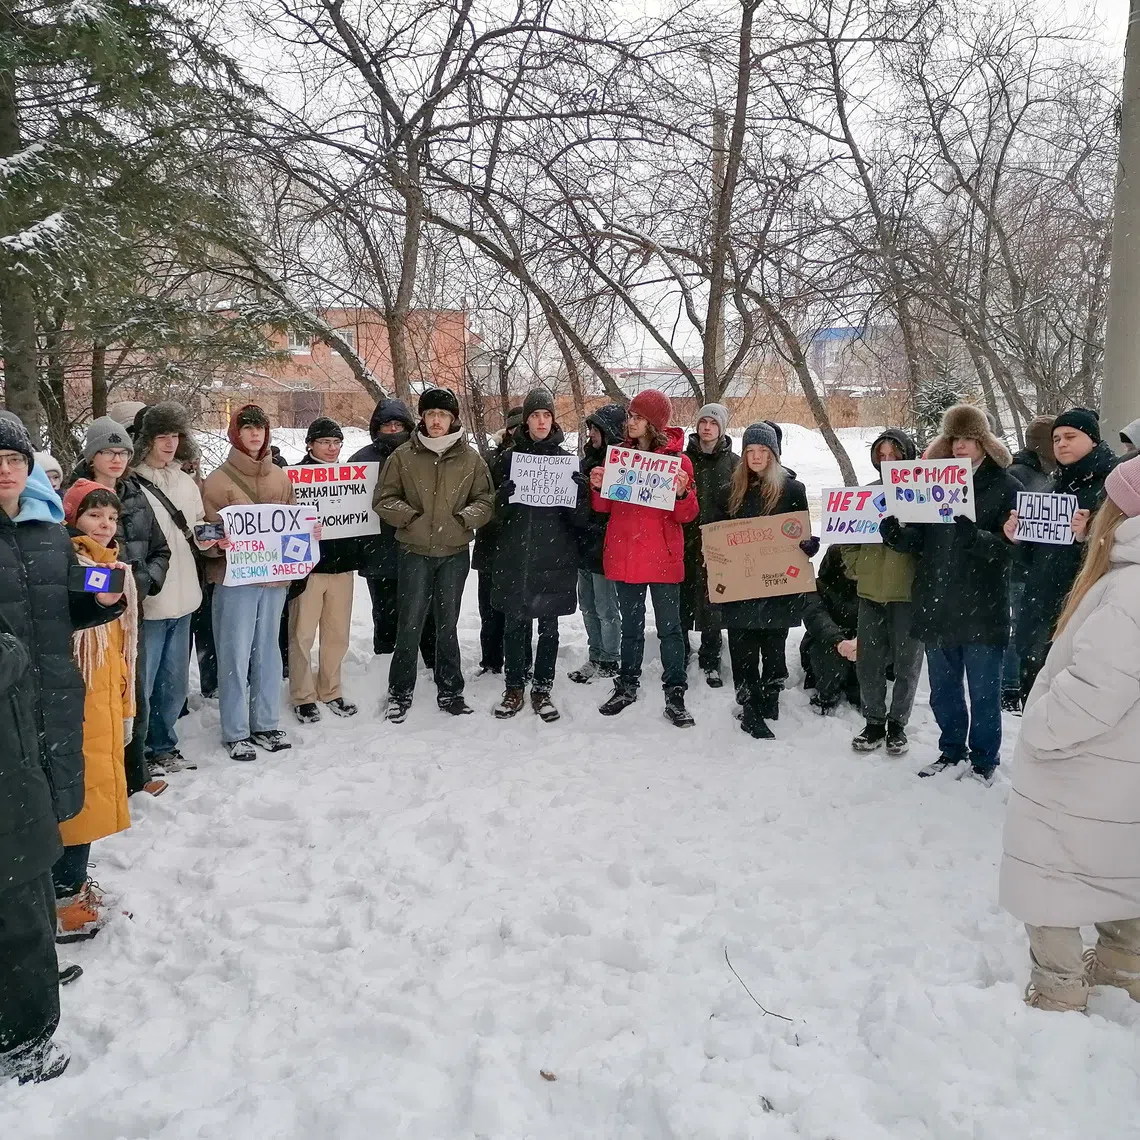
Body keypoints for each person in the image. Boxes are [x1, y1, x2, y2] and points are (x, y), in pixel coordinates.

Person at [0, 415, 123, 1085]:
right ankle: (18, 1030)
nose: (5, 468)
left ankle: (36, 961)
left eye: (14, 457)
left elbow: (66, 602)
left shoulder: (47, 533)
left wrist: (105, 594)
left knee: (44, 837)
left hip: (52, 707)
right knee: (15, 864)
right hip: (4, 726)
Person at [1000, 455, 1140, 1012]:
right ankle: (1120, 966)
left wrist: (1041, 726)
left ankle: (1057, 991)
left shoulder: (1129, 591)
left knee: (1051, 875)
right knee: (1121, 859)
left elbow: (1097, 687)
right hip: (1119, 765)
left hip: (1085, 765)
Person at [880, 404, 1019, 784]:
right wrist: (896, 534)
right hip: (936, 600)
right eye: (955, 438)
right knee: (943, 690)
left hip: (982, 605)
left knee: (984, 693)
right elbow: (922, 540)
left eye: (969, 439)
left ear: (984, 442)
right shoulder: (930, 480)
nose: (960, 446)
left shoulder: (1007, 486)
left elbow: (1015, 548)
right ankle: (951, 749)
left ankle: (984, 760)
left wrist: (980, 539)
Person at [374, 387, 495, 721]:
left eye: (442, 414)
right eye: (430, 414)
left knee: (448, 624)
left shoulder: (470, 459)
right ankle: (399, 692)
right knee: (409, 624)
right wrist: (411, 518)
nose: (436, 420)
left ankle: (451, 689)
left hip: (454, 554)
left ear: (452, 418)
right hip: (414, 552)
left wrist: (463, 519)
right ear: (423, 418)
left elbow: (485, 500)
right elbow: (383, 499)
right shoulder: (404, 457)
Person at [67, 417, 170, 795]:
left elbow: (161, 549)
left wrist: (137, 584)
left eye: (123, 452)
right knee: (95, 703)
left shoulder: (136, 494)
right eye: (108, 451)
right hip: (87, 623)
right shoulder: (73, 497)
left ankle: (134, 775)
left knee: (133, 693)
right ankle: (100, 781)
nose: (116, 459)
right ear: (92, 455)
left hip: (129, 614)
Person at [54, 480, 137, 942]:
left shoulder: (112, 567)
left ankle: (74, 884)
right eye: (93, 516)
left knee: (91, 797)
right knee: (76, 801)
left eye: (111, 518)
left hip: (104, 696)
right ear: (73, 519)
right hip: (78, 700)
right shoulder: (71, 566)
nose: (104, 525)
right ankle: (64, 900)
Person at [589, 389, 699, 727]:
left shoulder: (678, 462)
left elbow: (688, 515)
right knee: (631, 629)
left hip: (663, 555)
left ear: (653, 423)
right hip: (626, 553)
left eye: (637, 417)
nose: (631, 421)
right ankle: (627, 684)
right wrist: (597, 487)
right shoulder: (618, 457)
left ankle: (675, 690)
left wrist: (682, 493)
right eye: (631, 416)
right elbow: (603, 508)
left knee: (670, 629)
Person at [202, 404, 297, 761]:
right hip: (234, 579)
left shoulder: (280, 478)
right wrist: (215, 543)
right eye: (247, 428)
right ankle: (236, 730)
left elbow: (291, 525)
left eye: (260, 428)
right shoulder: (218, 480)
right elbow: (203, 530)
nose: (255, 434)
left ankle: (266, 722)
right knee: (235, 653)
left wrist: (306, 534)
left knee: (268, 653)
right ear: (236, 434)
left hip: (272, 580)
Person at [1007, 408, 1118, 703]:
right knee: (1038, 696)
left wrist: (1090, 536)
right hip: (1041, 609)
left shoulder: (1114, 486)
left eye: (1070, 436)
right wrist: (1018, 538)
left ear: (1093, 441)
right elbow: (1032, 559)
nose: (1061, 444)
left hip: (1087, 609)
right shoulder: (1051, 485)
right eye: (1056, 439)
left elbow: (1124, 548)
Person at [710, 422, 813, 739]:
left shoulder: (793, 491)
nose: (756, 456)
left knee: (773, 647)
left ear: (773, 454)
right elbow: (714, 537)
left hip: (777, 587)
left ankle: (770, 697)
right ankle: (749, 709)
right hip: (740, 588)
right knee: (742, 650)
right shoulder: (728, 493)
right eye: (750, 451)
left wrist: (809, 545)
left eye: (762, 451)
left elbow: (801, 535)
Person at [488, 389, 579, 722]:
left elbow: (579, 521)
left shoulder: (567, 462)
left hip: (554, 557)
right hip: (516, 556)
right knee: (515, 624)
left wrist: (579, 493)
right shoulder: (507, 460)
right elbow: (491, 518)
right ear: (525, 421)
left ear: (553, 420)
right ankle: (514, 687)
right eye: (535, 415)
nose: (542, 421)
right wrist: (502, 497)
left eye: (547, 415)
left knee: (549, 628)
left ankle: (542, 688)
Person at [131, 402, 213, 772]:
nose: (169, 444)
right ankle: (138, 753)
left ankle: (164, 745)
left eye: (175, 436)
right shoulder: (131, 483)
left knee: (173, 683)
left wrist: (216, 538)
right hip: (151, 601)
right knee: (142, 686)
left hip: (185, 598)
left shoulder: (185, 480)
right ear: (146, 440)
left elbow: (196, 525)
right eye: (161, 436)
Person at [843, 429, 924, 756]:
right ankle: (873, 720)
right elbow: (846, 540)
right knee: (869, 662)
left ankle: (898, 724)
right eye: (882, 456)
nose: (888, 461)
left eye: (895, 455)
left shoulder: (922, 494)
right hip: (870, 593)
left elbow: (932, 543)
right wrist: (857, 567)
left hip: (907, 594)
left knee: (907, 663)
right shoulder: (866, 494)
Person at [350, 398, 435, 665]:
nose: (393, 430)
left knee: (426, 609)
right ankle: (385, 661)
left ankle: (430, 661)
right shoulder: (361, 460)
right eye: (387, 425)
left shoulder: (423, 454)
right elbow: (344, 504)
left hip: (418, 546)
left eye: (399, 424)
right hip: (377, 549)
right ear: (377, 428)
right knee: (385, 611)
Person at [288, 417, 360, 723]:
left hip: (342, 566)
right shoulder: (295, 476)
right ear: (310, 444)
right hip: (308, 568)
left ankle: (331, 689)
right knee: (302, 634)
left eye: (336, 443)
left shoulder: (349, 477)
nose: (332, 449)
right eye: (325, 442)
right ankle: (303, 695)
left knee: (337, 634)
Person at [682, 403, 739, 687]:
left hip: (718, 544)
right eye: (703, 421)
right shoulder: (682, 460)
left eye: (713, 423)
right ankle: (680, 651)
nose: (707, 427)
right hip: (684, 540)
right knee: (681, 600)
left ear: (722, 428)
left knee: (714, 602)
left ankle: (711, 658)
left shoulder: (734, 463)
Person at [1002, 416, 1056, 712]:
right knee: (1017, 627)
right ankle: (1011, 687)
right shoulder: (1022, 474)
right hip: (1019, 565)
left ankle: (1016, 684)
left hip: (1032, 565)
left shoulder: (1043, 472)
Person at [569, 403, 625, 683]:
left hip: (606, 547)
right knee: (588, 606)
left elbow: (617, 507)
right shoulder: (585, 461)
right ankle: (595, 654)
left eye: (596, 429)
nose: (591, 434)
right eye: (590, 429)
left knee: (606, 608)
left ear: (610, 431)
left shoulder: (621, 462)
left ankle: (611, 658)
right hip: (583, 545)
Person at [471, 405, 522, 675]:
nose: (517, 432)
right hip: (491, 545)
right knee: (489, 609)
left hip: (522, 547)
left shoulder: (541, 460)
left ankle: (518, 660)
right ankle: (490, 661)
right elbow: (479, 499)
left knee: (517, 612)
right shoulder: (490, 459)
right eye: (514, 427)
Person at [800, 546, 860, 715]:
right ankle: (827, 695)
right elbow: (816, 616)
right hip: (827, 640)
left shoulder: (867, 588)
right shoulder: (816, 586)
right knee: (830, 654)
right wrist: (839, 640)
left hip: (859, 639)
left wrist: (859, 638)